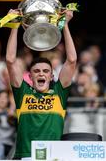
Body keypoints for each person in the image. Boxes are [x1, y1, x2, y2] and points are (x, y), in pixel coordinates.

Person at [6, 9, 77, 160]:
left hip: (53, 156)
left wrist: (65, 25)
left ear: (51, 76)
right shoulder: (23, 93)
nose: (41, 73)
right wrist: (14, 27)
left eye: (45, 71)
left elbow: (71, 60)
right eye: (36, 71)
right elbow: (11, 61)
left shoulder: (59, 93)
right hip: (25, 156)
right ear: (30, 76)